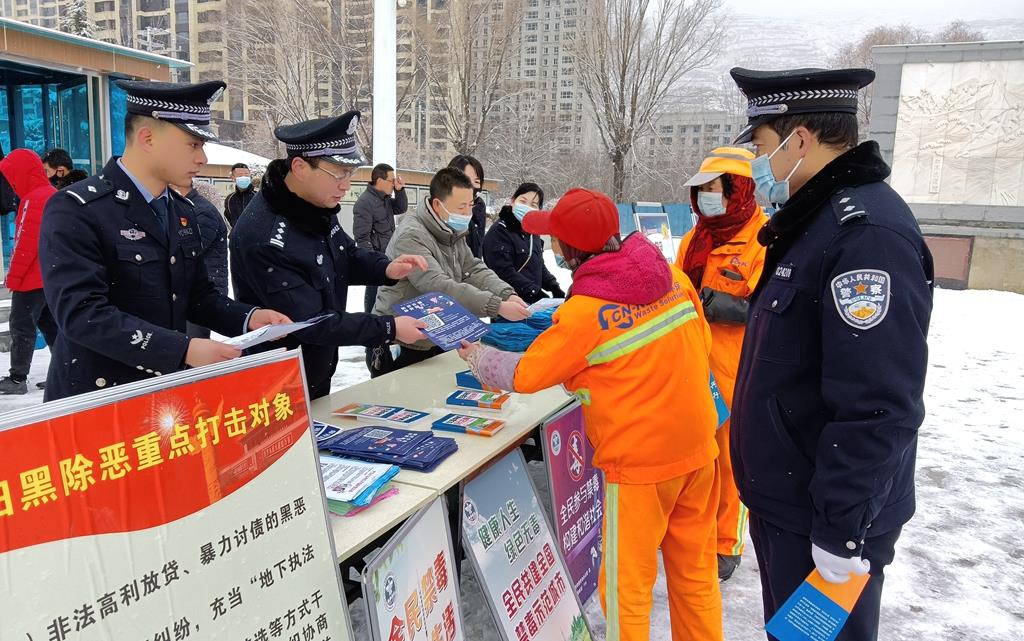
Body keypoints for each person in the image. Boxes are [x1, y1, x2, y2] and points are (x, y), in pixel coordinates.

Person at [458, 188, 723, 641]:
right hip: (699, 449)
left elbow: (526, 374)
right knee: (695, 575)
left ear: (567, 249)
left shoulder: (584, 312)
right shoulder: (674, 279)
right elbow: (702, 345)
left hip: (639, 467)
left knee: (626, 590)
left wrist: (478, 357)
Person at [727, 67, 934, 641]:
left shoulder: (865, 235)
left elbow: (879, 401)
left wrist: (841, 529)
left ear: (799, 140)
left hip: (824, 515)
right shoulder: (816, 220)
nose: (757, 164)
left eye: (761, 147)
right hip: (793, 502)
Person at [39, 80, 291, 401]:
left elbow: (198, 297)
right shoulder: (78, 208)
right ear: (147, 138)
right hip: (98, 398)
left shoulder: (181, 211)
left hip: (163, 397)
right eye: (193, 144)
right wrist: (182, 349)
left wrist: (249, 318)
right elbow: (82, 314)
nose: (202, 157)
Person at [229, 111, 429, 400]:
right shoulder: (265, 236)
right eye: (338, 173)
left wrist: (385, 269)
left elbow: (344, 254)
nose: (346, 185)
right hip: (279, 385)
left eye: (350, 174)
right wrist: (389, 328)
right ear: (299, 167)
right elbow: (312, 322)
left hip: (316, 370)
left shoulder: (314, 205)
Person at [674, 146, 768, 581]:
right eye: (702, 189)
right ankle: (691, 532)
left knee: (730, 463)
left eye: (715, 188)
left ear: (739, 189)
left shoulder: (763, 238)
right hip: (691, 366)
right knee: (692, 457)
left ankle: (725, 542)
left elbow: (767, 306)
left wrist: (715, 302)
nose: (707, 197)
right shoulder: (695, 239)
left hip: (735, 371)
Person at [370, 168, 530, 377]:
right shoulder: (411, 236)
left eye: (470, 205)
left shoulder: (449, 227)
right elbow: (438, 286)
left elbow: (472, 267)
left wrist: (505, 293)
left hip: (436, 333)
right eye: (461, 207)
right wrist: (496, 306)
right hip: (403, 339)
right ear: (438, 205)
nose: (467, 214)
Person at [0, 149, 59, 394]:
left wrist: (14, 277)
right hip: (50, 276)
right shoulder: (51, 194)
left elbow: (26, 243)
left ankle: (17, 379)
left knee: (21, 326)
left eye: (11, 176)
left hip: (31, 279)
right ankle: (63, 372)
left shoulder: (33, 199)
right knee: (52, 327)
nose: (10, 183)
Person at [482, 182, 565, 304]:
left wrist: (553, 286)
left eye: (533, 205)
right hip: (508, 303)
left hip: (533, 304)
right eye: (523, 201)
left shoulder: (532, 232)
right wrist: (534, 292)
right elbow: (503, 272)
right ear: (513, 201)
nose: (527, 207)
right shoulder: (499, 232)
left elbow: (538, 265)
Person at [171, 179, 229, 339]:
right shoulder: (185, 208)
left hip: (203, 290)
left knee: (194, 341)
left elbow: (189, 250)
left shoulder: (202, 211)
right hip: (192, 289)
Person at [353, 162, 408, 311]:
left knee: (387, 292)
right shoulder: (364, 203)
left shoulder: (385, 199)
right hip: (377, 258)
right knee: (373, 293)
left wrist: (400, 190)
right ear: (379, 180)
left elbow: (401, 208)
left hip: (389, 254)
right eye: (391, 180)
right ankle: (370, 317)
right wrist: (372, 261)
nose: (393, 183)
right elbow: (362, 237)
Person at [447, 154, 487, 257]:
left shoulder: (479, 209)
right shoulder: (441, 211)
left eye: (476, 181)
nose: (471, 186)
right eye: (466, 180)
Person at [223, 162, 257, 228]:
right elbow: (228, 220)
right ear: (233, 177)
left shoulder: (259, 196)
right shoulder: (230, 199)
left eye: (246, 174)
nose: (243, 177)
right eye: (240, 175)